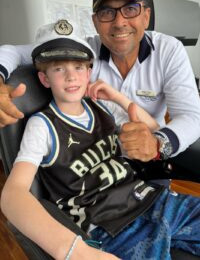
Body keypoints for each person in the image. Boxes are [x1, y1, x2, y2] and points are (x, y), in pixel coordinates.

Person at [1, 19, 163, 260]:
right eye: (58, 69)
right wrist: (78, 251)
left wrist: (118, 97)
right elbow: (13, 194)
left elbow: (154, 128)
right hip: (108, 225)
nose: (70, 77)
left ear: (89, 73)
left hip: (149, 199)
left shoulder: (101, 107)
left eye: (78, 67)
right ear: (44, 79)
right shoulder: (41, 125)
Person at [0, 0, 200, 164]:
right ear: (95, 22)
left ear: (145, 16)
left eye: (130, 9)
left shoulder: (169, 50)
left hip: (150, 157)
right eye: (107, 12)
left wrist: (157, 143)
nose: (119, 22)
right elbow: (13, 51)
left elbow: (191, 117)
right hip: (99, 164)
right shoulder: (82, 52)